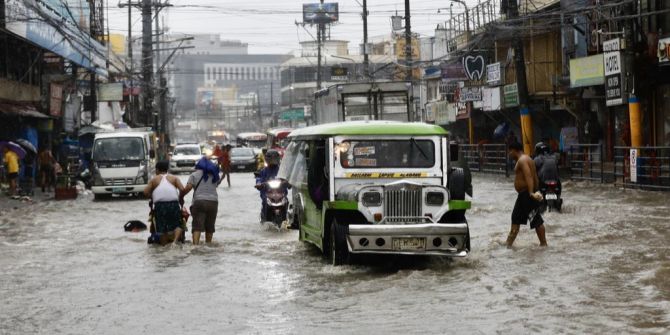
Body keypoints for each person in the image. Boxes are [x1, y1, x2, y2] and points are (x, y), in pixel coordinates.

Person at [506, 142, 547, 247]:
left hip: (526, 194)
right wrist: (536, 190)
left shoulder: (522, 160)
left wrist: (531, 193)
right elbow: (535, 177)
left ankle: (544, 244)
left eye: (509, 151)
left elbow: (528, 175)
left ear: (513, 150)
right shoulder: (528, 158)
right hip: (524, 195)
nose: (509, 154)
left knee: (536, 219)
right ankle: (508, 245)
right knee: (516, 218)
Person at [143, 160, 185, 246]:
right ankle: (174, 242)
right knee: (178, 225)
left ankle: (164, 246)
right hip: (174, 204)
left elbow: (145, 192)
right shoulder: (174, 178)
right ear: (167, 169)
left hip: (160, 206)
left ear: (157, 170)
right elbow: (182, 189)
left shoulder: (154, 179)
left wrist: (152, 197)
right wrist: (180, 198)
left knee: (162, 229)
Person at [181, 157, 221, 245]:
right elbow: (216, 184)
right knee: (210, 226)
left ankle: (195, 246)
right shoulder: (215, 175)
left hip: (199, 202)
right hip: (213, 202)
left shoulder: (194, 175)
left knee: (197, 226)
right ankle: (208, 245)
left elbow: (188, 188)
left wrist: (181, 196)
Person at [255, 149, 281, 219]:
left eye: (274, 158)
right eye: (271, 159)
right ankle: (264, 217)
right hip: (267, 193)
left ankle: (288, 216)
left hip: (280, 193)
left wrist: (289, 182)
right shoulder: (264, 171)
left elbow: (286, 177)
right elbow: (259, 179)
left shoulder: (281, 170)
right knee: (264, 201)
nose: (273, 161)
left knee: (286, 200)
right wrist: (259, 184)